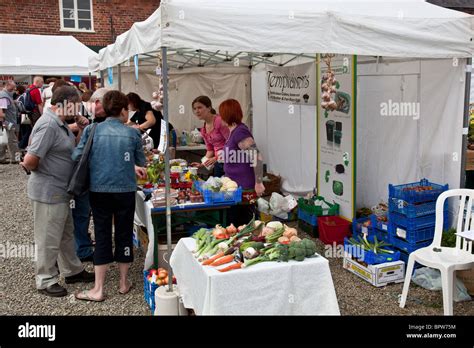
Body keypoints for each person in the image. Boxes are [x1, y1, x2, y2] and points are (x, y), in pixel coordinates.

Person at [20, 85, 95, 297]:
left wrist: (80, 128)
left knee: (64, 233)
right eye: (77, 104)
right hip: (49, 191)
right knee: (48, 237)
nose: (79, 108)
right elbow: (31, 160)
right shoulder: (48, 125)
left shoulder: (60, 123)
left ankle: (72, 270)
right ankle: (45, 279)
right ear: (67, 103)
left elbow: (69, 150)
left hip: (61, 191)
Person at [73, 90, 146, 302]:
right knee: (124, 233)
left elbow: (77, 156)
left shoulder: (93, 130)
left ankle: (98, 288)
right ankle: (123, 283)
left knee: (102, 234)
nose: (129, 114)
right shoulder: (133, 133)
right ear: (123, 110)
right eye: (128, 110)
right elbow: (141, 162)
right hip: (125, 191)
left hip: (99, 190)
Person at [219, 99, 265, 226]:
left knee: (243, 225)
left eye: (221, 113)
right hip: (235, 189)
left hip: (244, 189)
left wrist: (259, 182)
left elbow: (256, 156)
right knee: (235, 224)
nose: (219, 116)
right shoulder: (233, 131)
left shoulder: (240, 132)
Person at [191, 96, 229, 177]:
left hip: (230, 161)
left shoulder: (219, 121)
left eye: (199, 107)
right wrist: (202, 164)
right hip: (218, 163)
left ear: (209, 108)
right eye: (194, 109)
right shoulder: (203, 129)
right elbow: (210, 150)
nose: (197, 111)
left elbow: (231, 142)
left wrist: (216, 158)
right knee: (218, 186)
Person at [0, 80, 21, 164]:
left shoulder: (5, 95)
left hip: (6, 122)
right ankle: (16, 159)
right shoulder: (4, 96)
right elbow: (1, 112)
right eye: (12, 88)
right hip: (8, 123)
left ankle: (1, 158)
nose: (14, 89)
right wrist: (5, 123)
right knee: (13, 142)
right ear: (7, 85)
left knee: (3, 141)